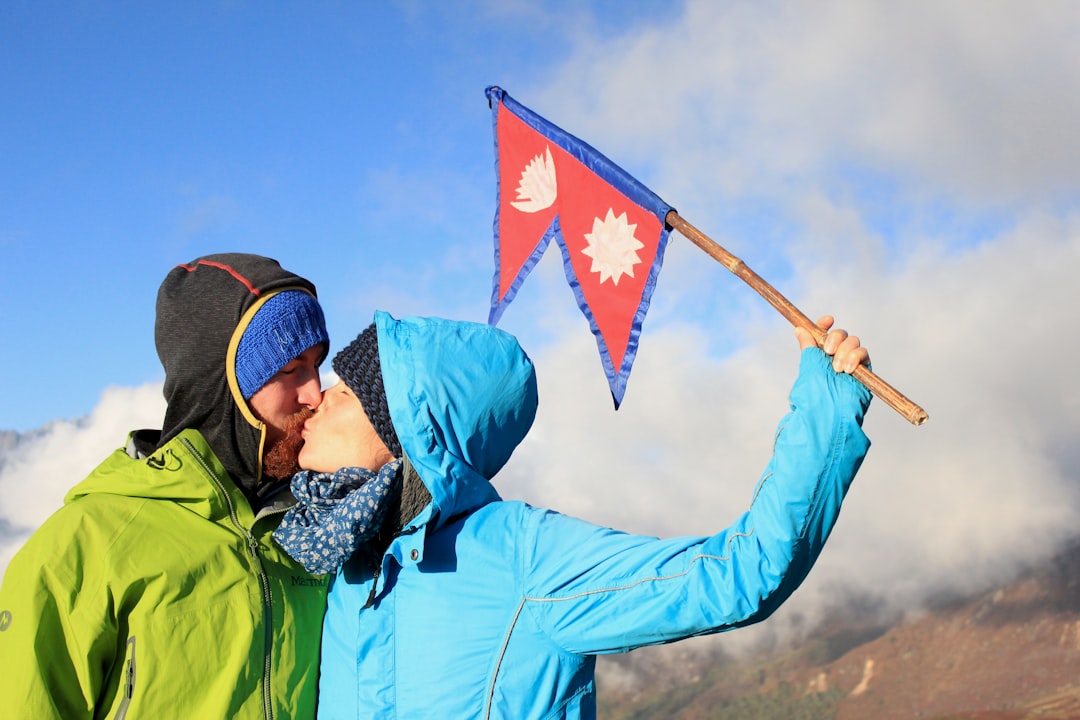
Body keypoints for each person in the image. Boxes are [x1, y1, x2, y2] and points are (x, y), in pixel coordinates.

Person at [273, 309, 873, 719]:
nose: (318, 402)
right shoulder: (336, 556)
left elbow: (744, 573)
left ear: (406, 425)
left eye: (345, 393)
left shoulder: (522, 558)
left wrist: (827, 406)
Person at [0, 253, 332, 718]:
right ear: (219, 386)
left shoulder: (315, 533)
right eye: (289, 369)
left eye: (318, 364)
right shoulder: (83, 548)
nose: (316, 393)